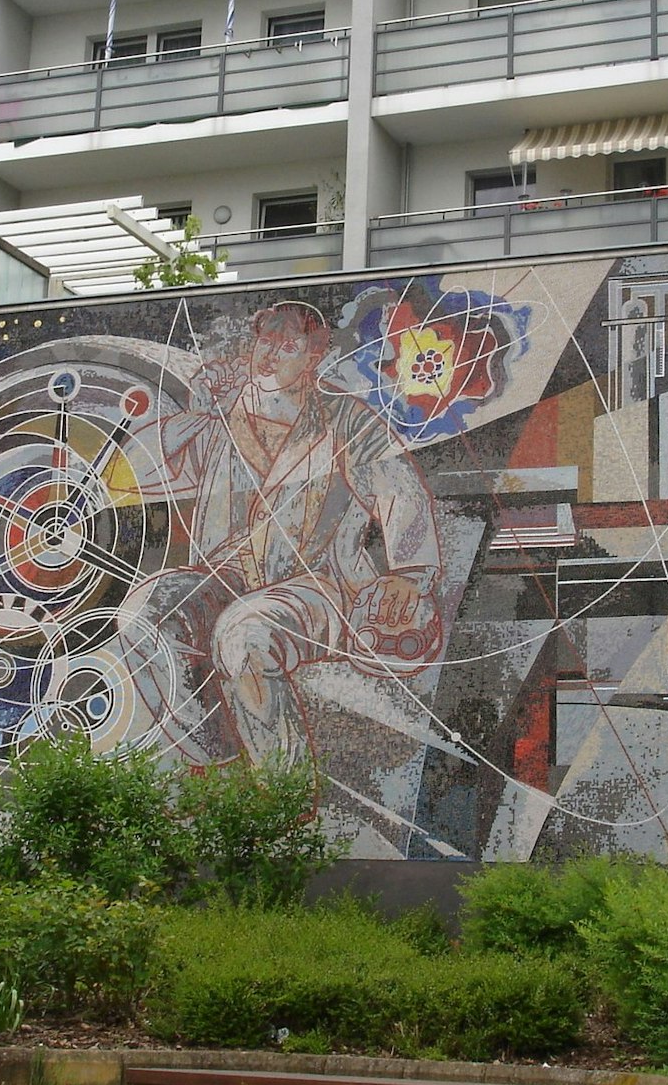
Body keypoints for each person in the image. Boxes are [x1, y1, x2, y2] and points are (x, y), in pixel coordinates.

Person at [113, 300, 441, 766]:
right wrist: (199, 406)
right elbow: (129, 475)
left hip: (318, 586)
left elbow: (400, 492)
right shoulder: (223, 418)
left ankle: (279, 791)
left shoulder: (344, 420)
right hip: (225, 577)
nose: (269, 355)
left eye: (288, 346)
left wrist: (409, 572)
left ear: (313, 359)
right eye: (266, 341)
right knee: (142, 612)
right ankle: (214, 752)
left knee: (243, 633)